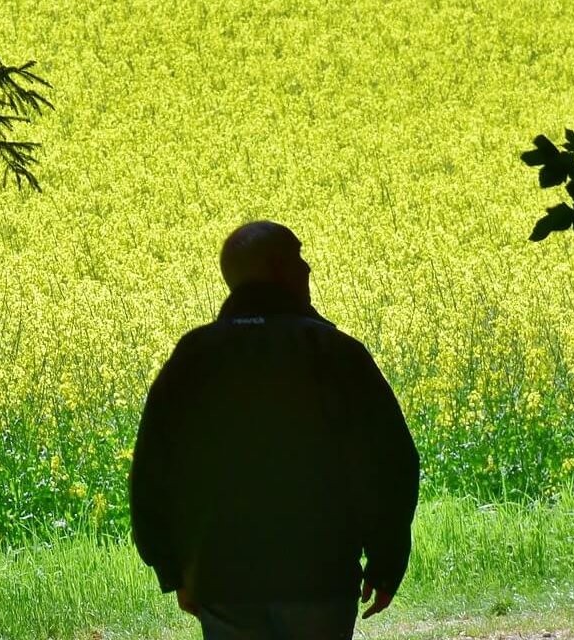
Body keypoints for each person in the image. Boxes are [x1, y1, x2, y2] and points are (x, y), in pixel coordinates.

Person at [128, 220, 421, 640]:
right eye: (299, 257)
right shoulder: (335, 353)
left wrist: (171, 567)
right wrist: (386, 560)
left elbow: (154, 468)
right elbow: (389, 463)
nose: (307, 268)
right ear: (280, 269)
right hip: (319, 577)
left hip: (222, 577)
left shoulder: (194, 357)